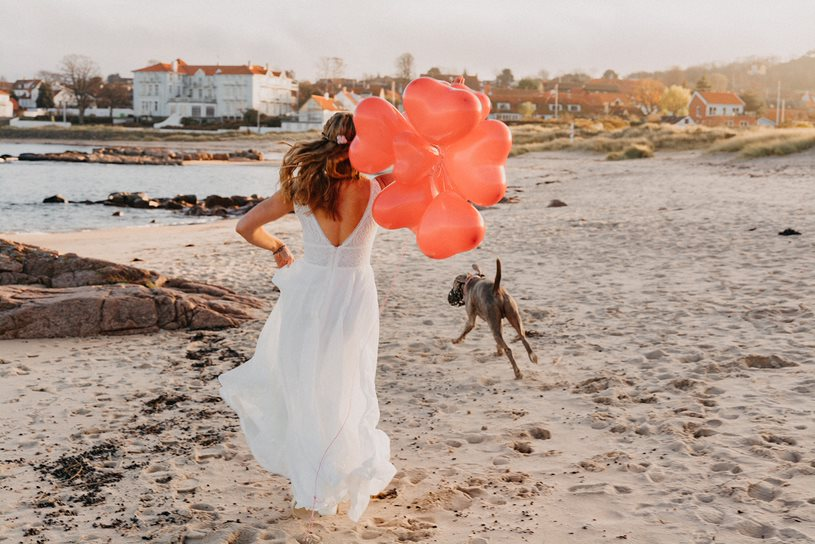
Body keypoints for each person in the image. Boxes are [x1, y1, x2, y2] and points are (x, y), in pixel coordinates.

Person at [218, 112, 396, 521]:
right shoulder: (377, 188)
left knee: (305, 386)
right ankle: (346, 469)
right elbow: (423, 177)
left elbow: (246, 226)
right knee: (347, 382)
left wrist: (278, 247)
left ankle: (316, 482)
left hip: (309, 293)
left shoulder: (302, 188)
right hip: (354, 293)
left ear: (325, 139)